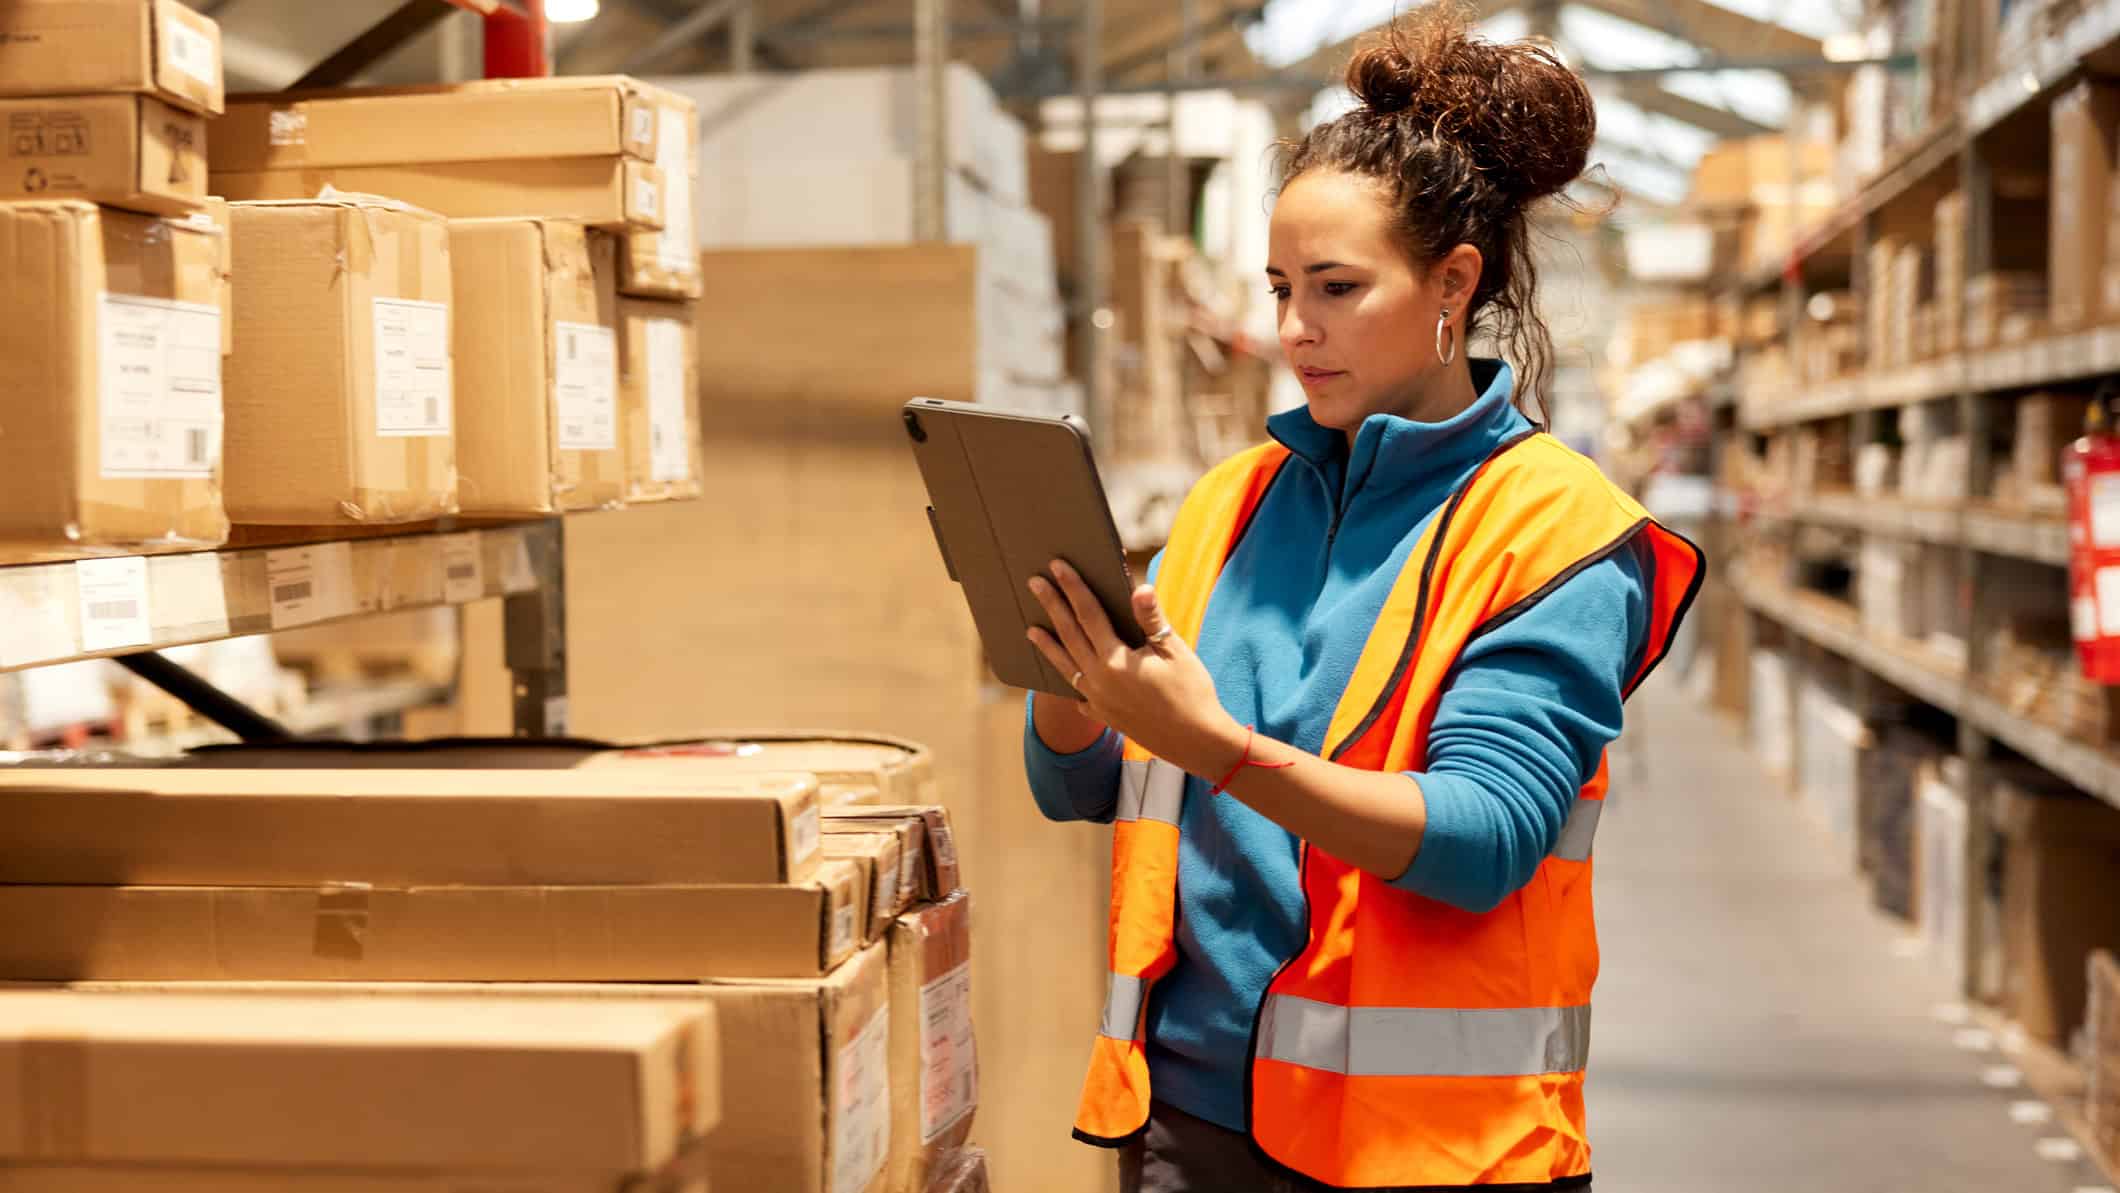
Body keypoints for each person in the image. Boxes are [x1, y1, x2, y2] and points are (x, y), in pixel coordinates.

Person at [1019, 9, 1704, 1192]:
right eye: (1280, 286)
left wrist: (1216, 744)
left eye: (1335, 288)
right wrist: (1075, 679)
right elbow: (1079, 785)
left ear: (1452, 281)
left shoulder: (1556, 530)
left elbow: (1482, 840)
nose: (1293, 329)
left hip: (1426, 1147)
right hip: (1182, 1114)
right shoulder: (1232, 499)